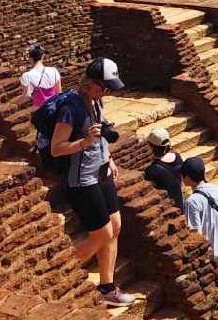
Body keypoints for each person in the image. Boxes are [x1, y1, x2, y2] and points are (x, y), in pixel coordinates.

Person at [50, 58, 136, 309]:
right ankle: (59, 273)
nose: (106, 92)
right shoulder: (70, 108)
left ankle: (107, 287)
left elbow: (101, 134)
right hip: (82, 179)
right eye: (103, 87)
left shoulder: (96, 101)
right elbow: (57, 148)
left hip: (101, 171)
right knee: (102, 234)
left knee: (116, 226)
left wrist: (108, 157)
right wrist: (84, 143)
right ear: (90, 84)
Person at [179, 157, 218, 261]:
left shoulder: (191, 202)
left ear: (187, 177)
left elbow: (196, 234)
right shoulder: (215, 189)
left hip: (209, 256)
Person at [142, 126, 186, 209]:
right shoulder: (177, 157)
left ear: (151, 146)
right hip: (180, 202)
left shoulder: (152, 170)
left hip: (168, 208)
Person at [20, 43, 61, 109]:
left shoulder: (26, 76)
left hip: (40, 111)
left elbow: (27, 96)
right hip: (54, 109)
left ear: (30, 58)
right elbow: (59, 93)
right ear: (42, 56)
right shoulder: (54, 71)